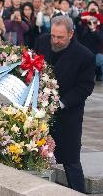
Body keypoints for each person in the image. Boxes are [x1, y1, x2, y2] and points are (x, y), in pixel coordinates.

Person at [35, 16, 95, 193]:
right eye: (53, 35)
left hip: (67, 115)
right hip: (39, 112)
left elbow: (85, 87)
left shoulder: (85, 56)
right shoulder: (42, 41)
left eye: (60, 37)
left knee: (70, 160)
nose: (55, 40)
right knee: (34, 152)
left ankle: (78, 192)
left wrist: (60, 103)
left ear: (71, 34)